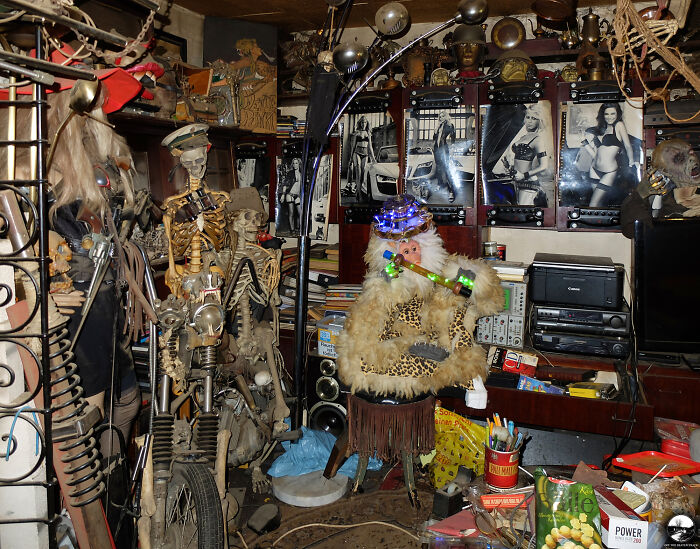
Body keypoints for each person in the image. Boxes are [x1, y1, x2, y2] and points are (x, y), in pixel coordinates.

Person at [581, 102, 638, 207]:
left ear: (618, 114)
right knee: (599, 204)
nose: (609, 117)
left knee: (593, 205)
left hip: (609, 172)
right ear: (603, 115)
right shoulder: (601, 129)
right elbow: (596, 154)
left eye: (613, 114)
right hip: (594, 169)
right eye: (607, 114)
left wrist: (631, 161)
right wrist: (585, 143)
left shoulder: (619, 125)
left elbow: (628, 146)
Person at [496, 103, 551, 205]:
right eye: (527, 117)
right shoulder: (524, 137)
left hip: (529, 184)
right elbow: (521, 162)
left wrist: (523, 175)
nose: (529, 121)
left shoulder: (538, 139)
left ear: (539, 121)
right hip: (517, 182)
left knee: (522, 213)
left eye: (534, 118)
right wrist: (508, 166)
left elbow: (544, 166)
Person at [433, 110, 457, 202]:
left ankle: (451, 191)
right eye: (439, 116)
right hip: (436, 149)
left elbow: (453, 138)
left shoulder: (450, 125)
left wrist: (452, 148)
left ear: (446, 116)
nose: (440, 117)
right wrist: (436, 130)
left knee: (447, 168)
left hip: (444, 149)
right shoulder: (438, 126)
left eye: (442, 116)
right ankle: (439, 184)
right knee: (438, 168)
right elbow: (434, 138)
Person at [349, 116, 374, 201]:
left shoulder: (368, 133)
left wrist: (373, 159)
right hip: (357, 153)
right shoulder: (357, 133)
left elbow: (370, 147)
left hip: (365, 154)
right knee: (358, 173)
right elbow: (353, 146)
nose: (363, 124)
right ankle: (359, 195)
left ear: (367, 123)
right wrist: (350, 159)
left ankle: (358, 191)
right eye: (362, 122)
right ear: (360, 123)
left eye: (365, 122)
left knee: (363, 174)